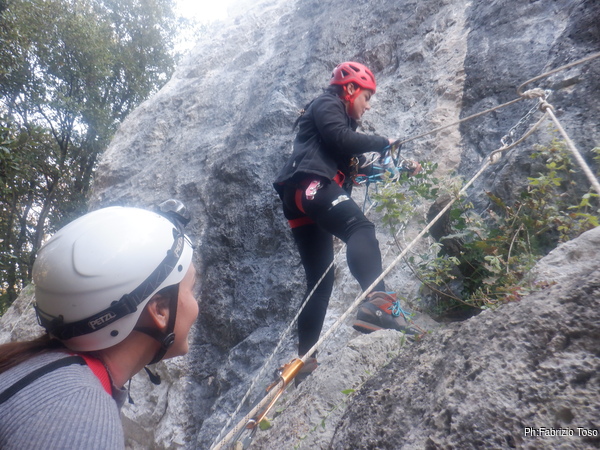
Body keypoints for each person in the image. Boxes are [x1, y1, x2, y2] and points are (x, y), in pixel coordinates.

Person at [0, 202, 198, 449]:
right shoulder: (78, 422)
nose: (196, 304)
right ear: (160, 309)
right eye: (191, 289)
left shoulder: (37, 367)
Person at [274, 62, 421, 377]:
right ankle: (379, 303)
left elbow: (355, 163)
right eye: (366, 97)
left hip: (301, 196)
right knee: (360, 228)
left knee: (321, 280)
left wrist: (400, 166)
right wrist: (383, 141)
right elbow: (340, 139)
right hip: (312, 184)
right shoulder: (327, 103)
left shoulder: (336, 128)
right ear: (350, 89)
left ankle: (305, 359)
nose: (368, 106)